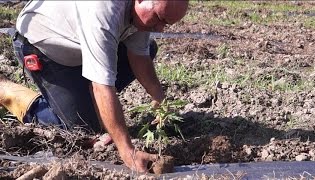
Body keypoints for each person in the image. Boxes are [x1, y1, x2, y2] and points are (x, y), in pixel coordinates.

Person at [0, 0, 188, 173]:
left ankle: (86, 98)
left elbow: (138, 55)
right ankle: (6, 91)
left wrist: (160, 101)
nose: (160, 28)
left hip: (79, 47)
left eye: (167, 24)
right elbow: (102, 87)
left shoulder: (140, 13)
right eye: (158, 18)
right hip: (43, 48)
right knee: (82, 130)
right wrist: (127, 151)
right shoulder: (103, 12)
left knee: (149, 48)